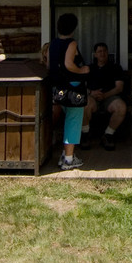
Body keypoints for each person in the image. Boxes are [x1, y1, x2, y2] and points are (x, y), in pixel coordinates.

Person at [48, 12, 90, 171]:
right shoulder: (71, 43)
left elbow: (50, 65)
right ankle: (69, 159)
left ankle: (65, 154)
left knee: (67, 120)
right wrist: (81, 70)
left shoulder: (53, 44)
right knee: (73, 121)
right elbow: (68, 64)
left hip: (58, 87)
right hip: (73, 87)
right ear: (73, 28)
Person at [86, 42, 128, 151]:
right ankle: (85, 134)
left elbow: (119, 87)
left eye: (104, 51)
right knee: (84, 103)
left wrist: (105, 95)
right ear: (95, 54)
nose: (102, 53)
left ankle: (108, 135)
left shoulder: (115, 67)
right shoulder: (88, 69)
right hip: (92, 98)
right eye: (99, 51)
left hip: (109, 98)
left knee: (121, 107)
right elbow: (81, 87)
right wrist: (91, 93)